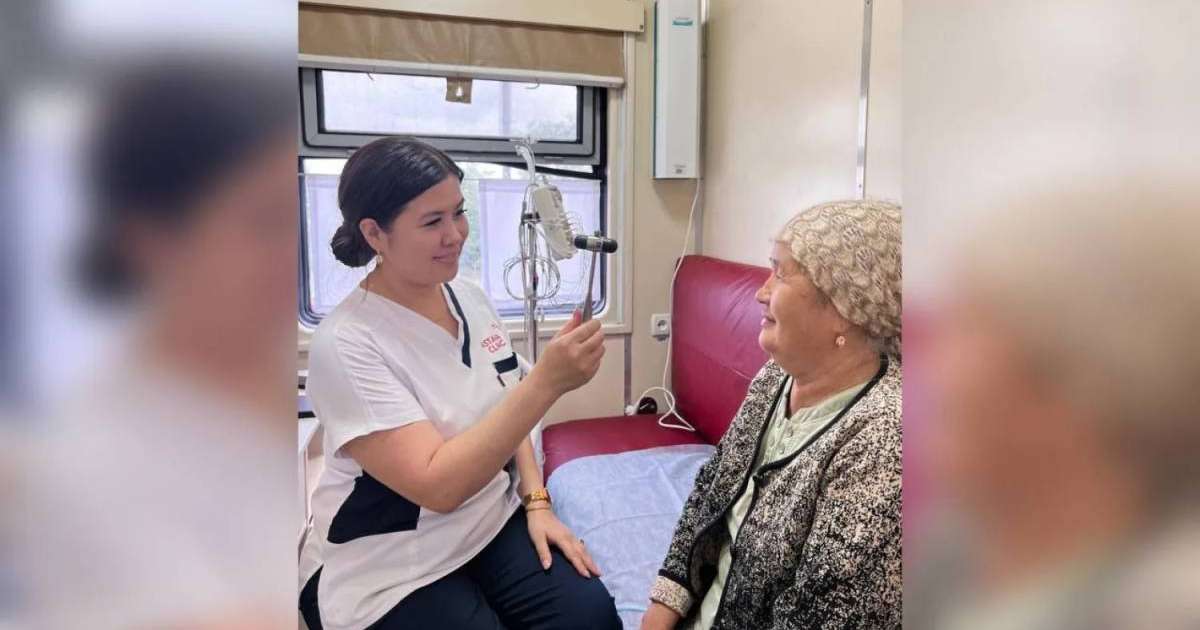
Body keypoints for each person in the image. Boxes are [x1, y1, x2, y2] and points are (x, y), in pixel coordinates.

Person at [301, 137, 621, 630]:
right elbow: (439, 487)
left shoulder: (468, 297)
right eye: (432, 222)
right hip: (395, 559)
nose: (456, 235)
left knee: (590, 619)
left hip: (488, 522)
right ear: (374, 234)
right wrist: (548, 384)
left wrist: (537, 502)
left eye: (459, 212)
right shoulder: (347, 343)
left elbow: (506, 404)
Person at [642, 199, 903, 629]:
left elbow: (822, 616)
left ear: (845, 310)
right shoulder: (777, 377)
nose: (761, 292)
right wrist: (660, 613)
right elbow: (710, 496)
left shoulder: (886, 441)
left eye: (781, 273)